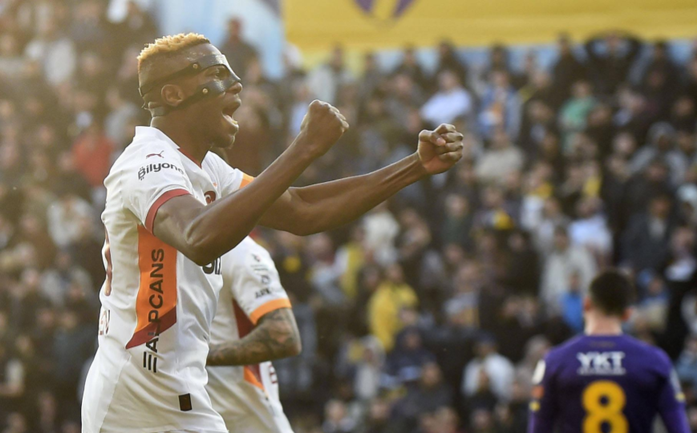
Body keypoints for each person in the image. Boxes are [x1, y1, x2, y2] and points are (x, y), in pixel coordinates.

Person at [81, 33, 464, 433]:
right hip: (137, 396)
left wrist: (415, 167)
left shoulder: (208, 168)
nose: (236, 85)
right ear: (174, 94)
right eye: (216, 74)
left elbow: (301, 210)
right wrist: (302, 150)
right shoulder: (148, 162)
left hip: (169, 389)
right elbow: (198, 237)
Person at [528, 270, 690, 433]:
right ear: (628, 313)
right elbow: (679, 428)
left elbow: (538, 427)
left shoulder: (555, 360)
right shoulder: (655, 360)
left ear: (586, 304)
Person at [206, 236, 299, 433]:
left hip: (243, 414)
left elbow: (283, 336)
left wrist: (196, 356)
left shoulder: (240, 251)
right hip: (194, 408)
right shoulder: (166, 254)